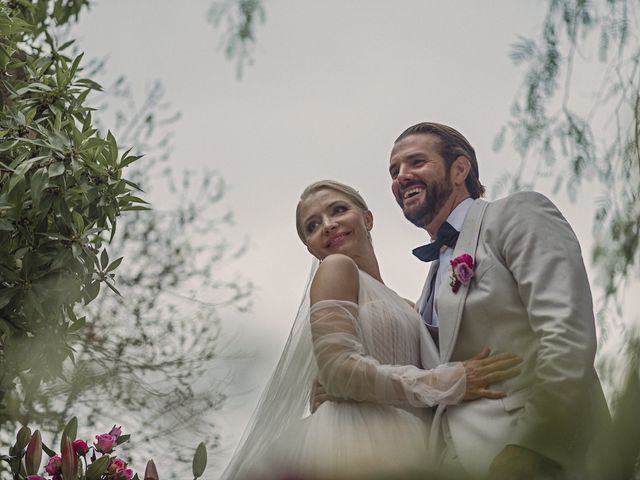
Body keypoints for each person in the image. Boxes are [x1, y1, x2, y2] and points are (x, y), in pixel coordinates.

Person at [219, 180, 520, 480]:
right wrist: (448, 382)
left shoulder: (409, 307)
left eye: (338, 210)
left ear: (367, 218)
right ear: (311, 249)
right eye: (312, 226)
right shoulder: (337, 268)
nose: (328, 225)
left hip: (418, 445)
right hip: (353, 442)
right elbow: (338, 370)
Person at [388, 122, 612, 479]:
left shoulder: (516, 214)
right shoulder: (432, 277)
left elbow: (566, 332)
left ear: (460, 169)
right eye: (394, 170)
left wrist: (533, 446)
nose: (402, 176)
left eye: (416, 162)